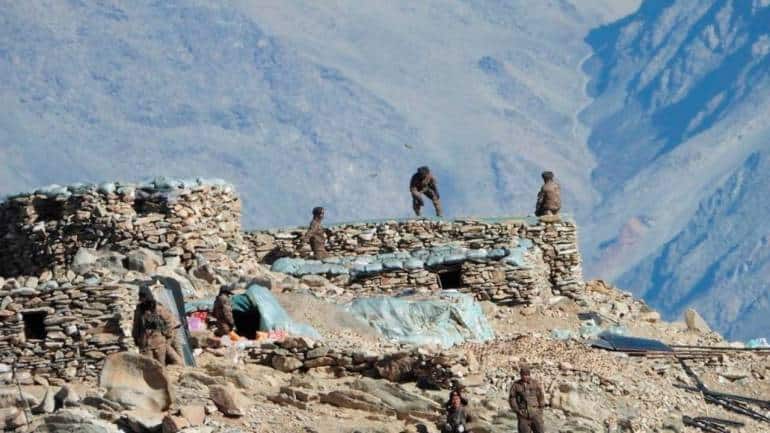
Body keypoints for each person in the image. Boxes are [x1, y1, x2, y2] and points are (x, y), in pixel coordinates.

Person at [131, 286, 184, 366]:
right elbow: (136, 325)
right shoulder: (139, 309)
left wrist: (167, 335)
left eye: (143, 297)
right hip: (145, 344)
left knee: (161, 365)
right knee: (148, 366)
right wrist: (136, 338)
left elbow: (169, 322)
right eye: (140, 298)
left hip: (159, 343)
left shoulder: (157, 308)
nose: (141, 300)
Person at [509, 363, 545, 433]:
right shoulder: (516, 385)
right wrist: (517, 411)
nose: (525, 377)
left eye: (527, 375)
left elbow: (541, 396)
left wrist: (540, 410)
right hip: (523, 415)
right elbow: (512, 399)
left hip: (535, 414)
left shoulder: (535, 383)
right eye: (524, 375)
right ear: (521, 375)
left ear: (529, 375)